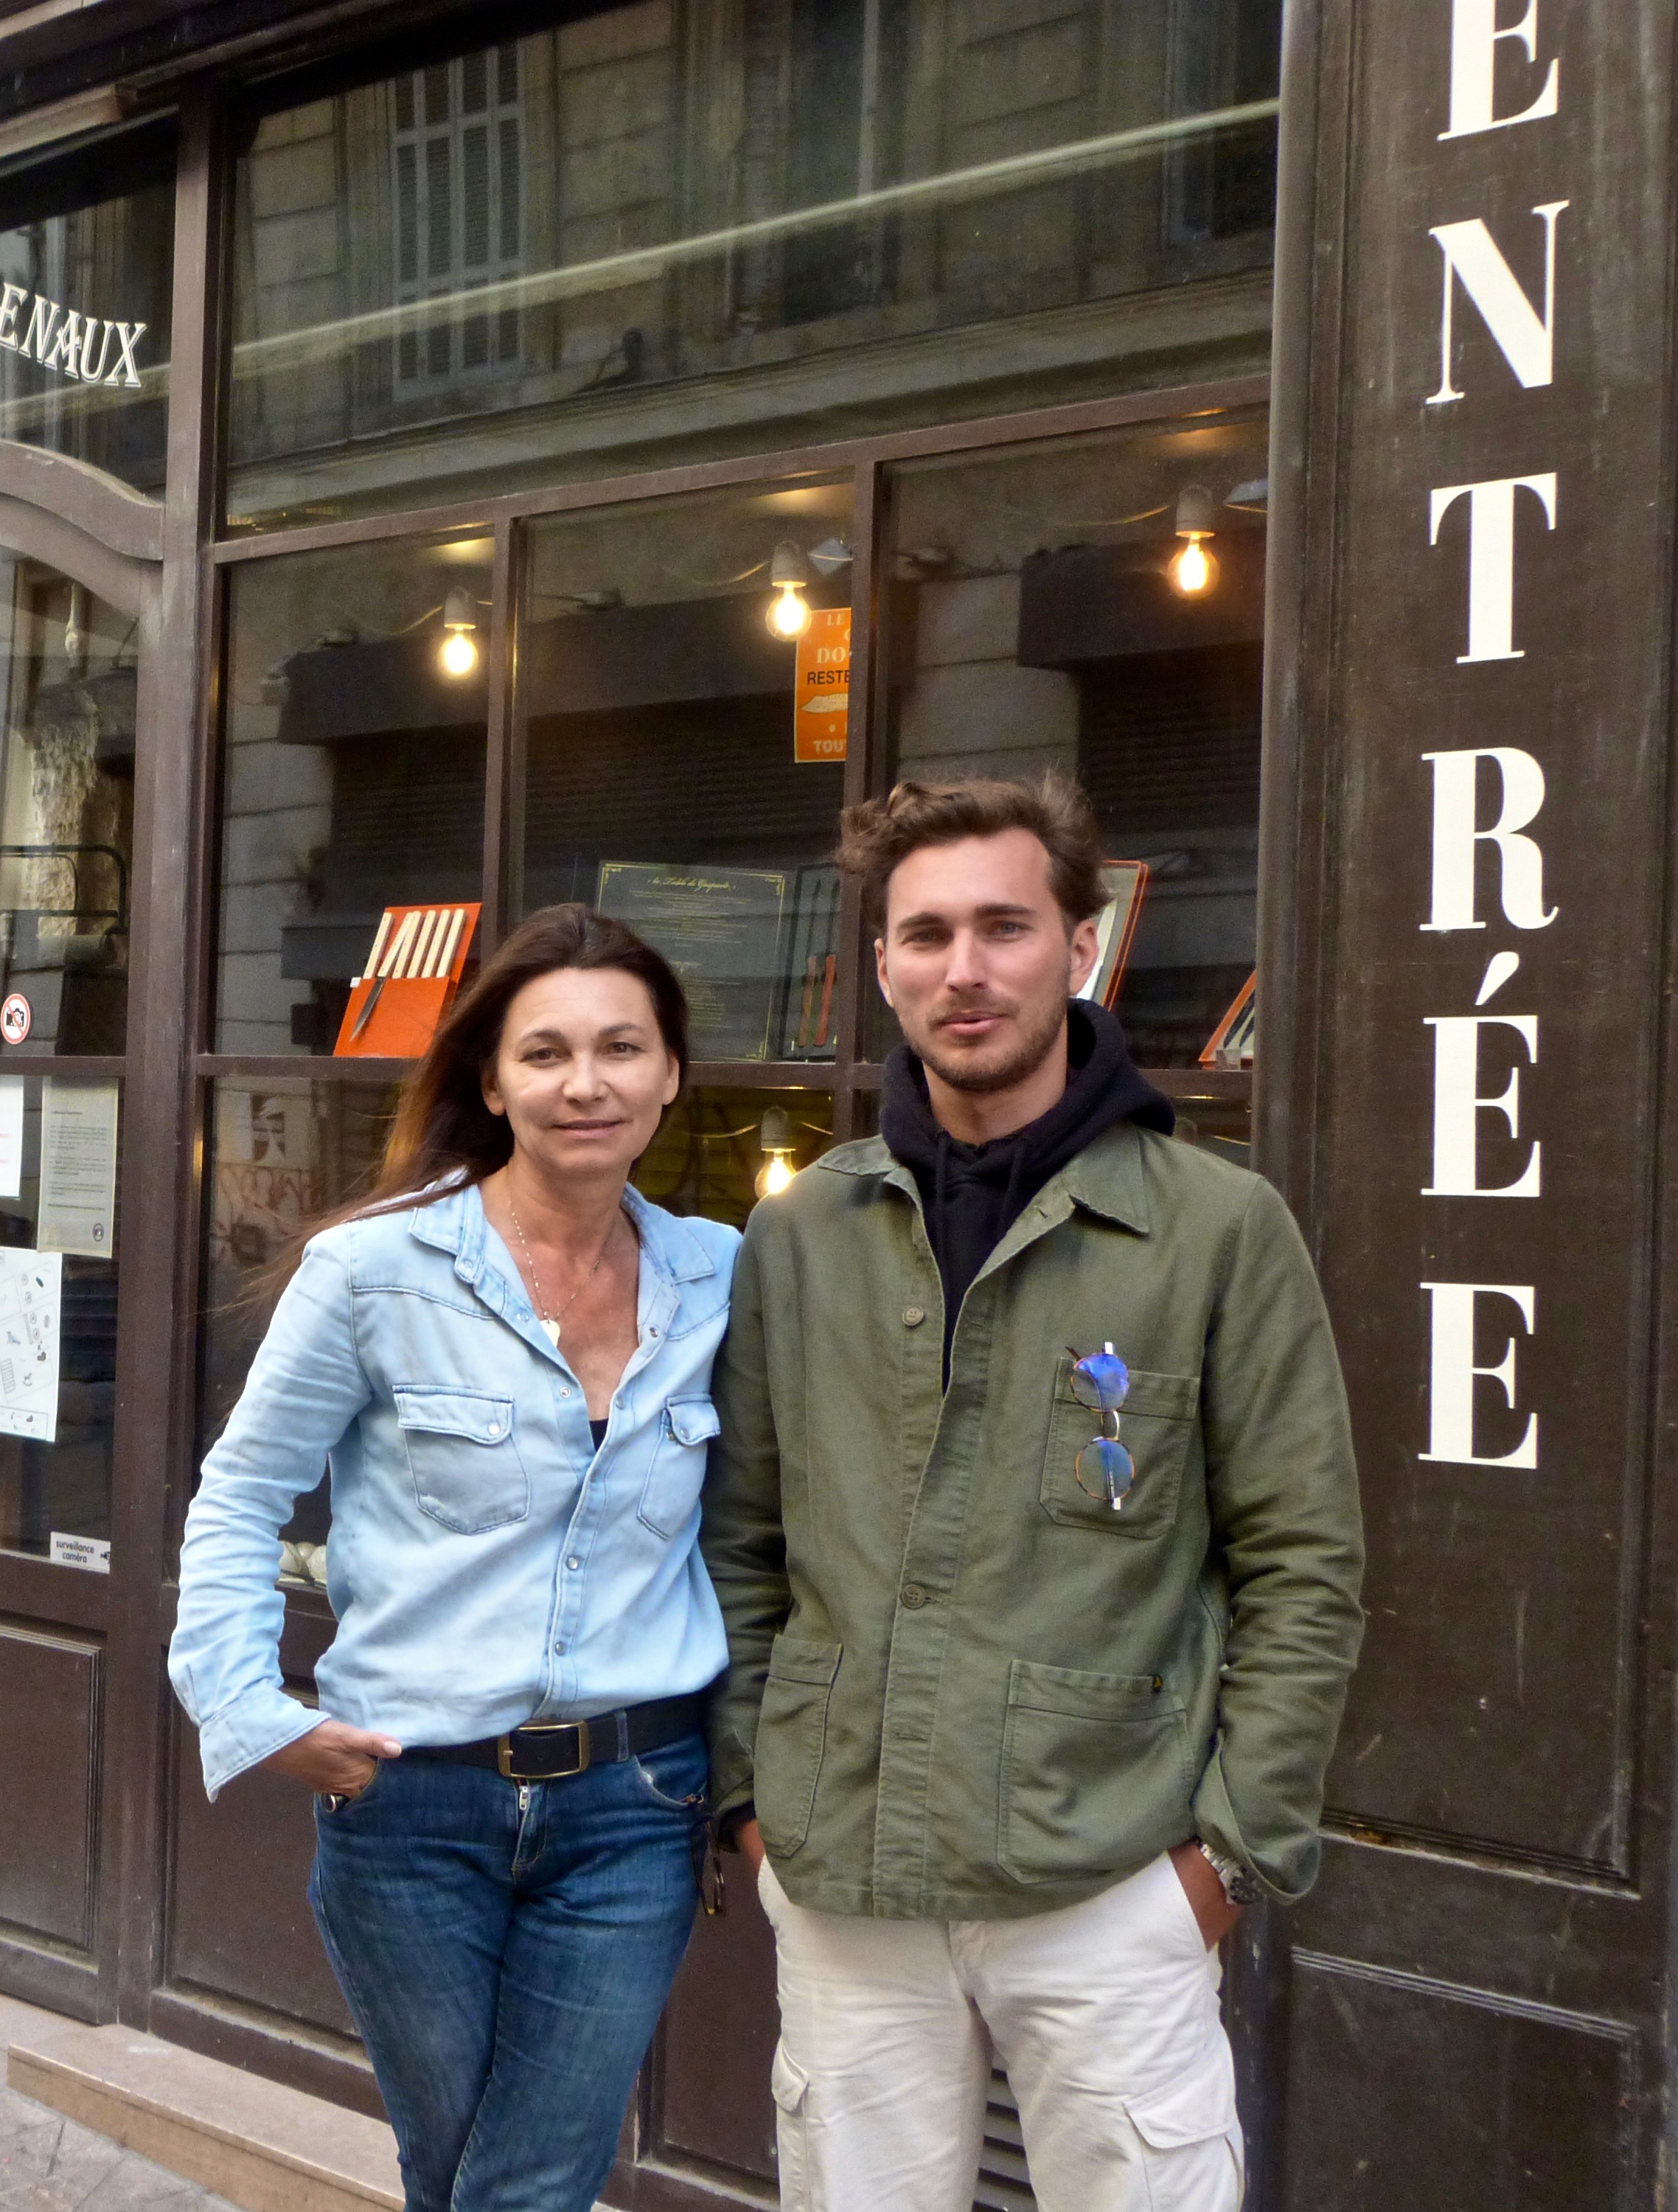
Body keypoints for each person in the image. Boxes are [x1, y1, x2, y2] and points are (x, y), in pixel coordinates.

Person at [702, 777, 1363, 2212]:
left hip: (1111, 1879)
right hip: (846, 1879)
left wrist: (1224, 1858)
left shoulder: (1215, 1232)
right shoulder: (806, 1232)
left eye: (1004, 926)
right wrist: (750, 1801)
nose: (964, 968)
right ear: (877, 965)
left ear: (1080, 943)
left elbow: (1302, 1566)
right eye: (924, 934)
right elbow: (739, 1541)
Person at [173, 903, 739, 2212]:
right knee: (464, 2176)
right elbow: (241, 1493)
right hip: (411, 1803)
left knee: (524, 2182)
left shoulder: (724, 1277)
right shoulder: (374, 1271)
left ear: (669, 1075)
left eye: (621, 1048)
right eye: (545, 1053)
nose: (584, 1084)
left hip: (634, 1807)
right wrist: (250, 1712)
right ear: (491, 1079)